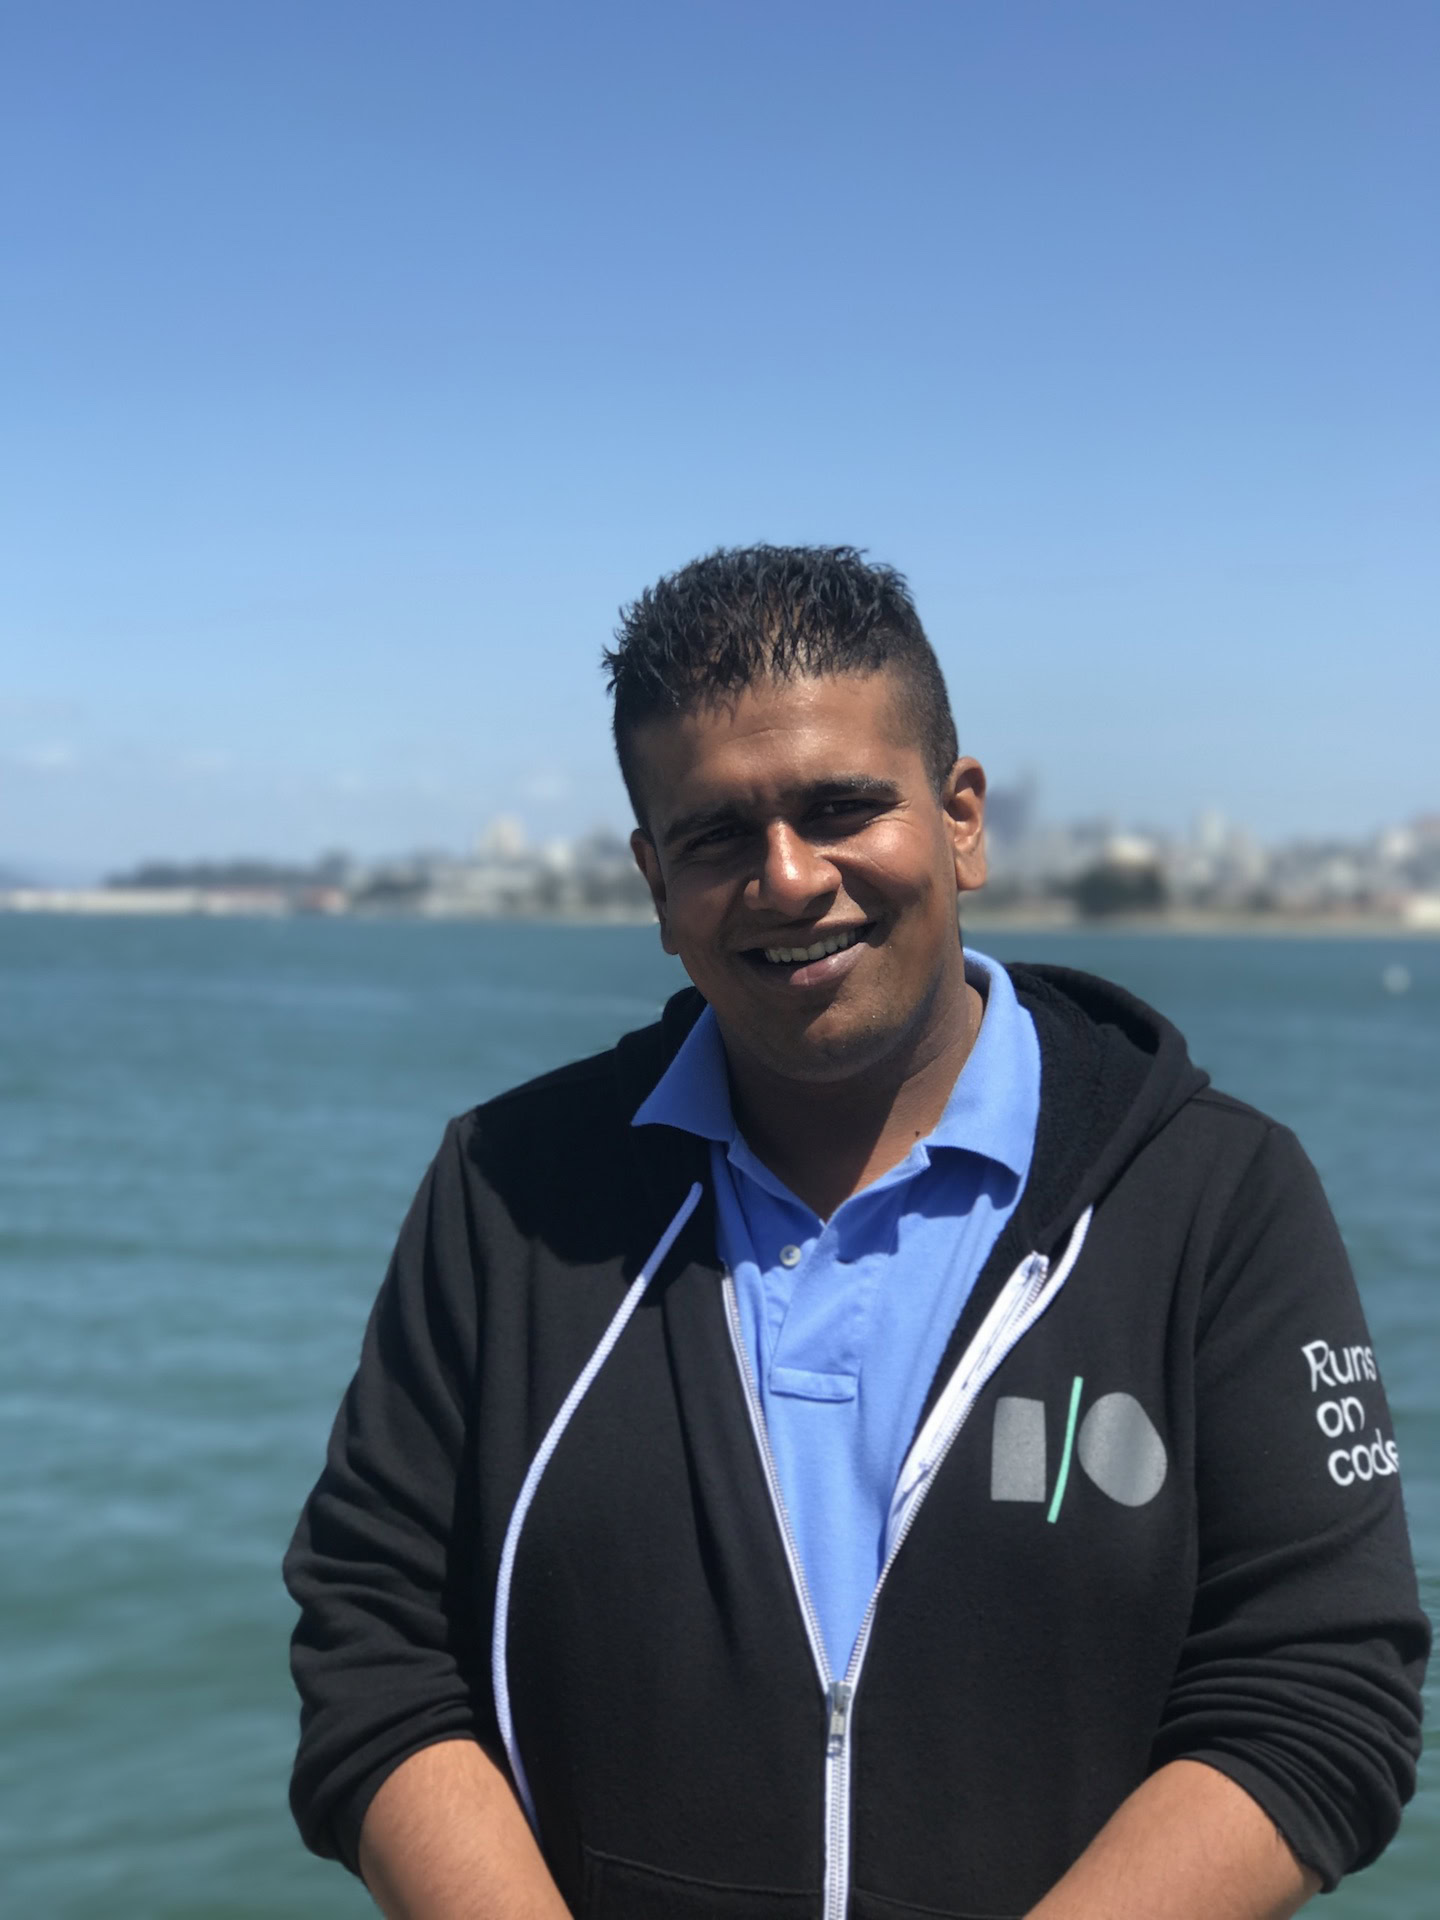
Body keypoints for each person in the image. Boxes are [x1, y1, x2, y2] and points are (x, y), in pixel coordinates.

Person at [286, 546, 1428, 1920]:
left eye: (841, 808)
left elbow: (1323, 1689)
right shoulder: (508, 1188)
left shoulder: (1215, 1194)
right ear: (654, 880)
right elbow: (373, 1648)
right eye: (717, 836)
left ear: (961, 819)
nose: (786, 879)